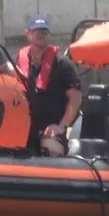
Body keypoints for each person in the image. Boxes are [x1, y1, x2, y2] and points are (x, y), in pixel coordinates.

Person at [16, 16, 83, 157]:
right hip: (25, 128)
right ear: (27, 33)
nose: (41, 35)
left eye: (45, 32)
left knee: (51, 148)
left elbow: (75, 98)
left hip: (52, 129)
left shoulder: (63, 64)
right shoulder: (18, 60)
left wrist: (61, 126)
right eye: (37, 32)